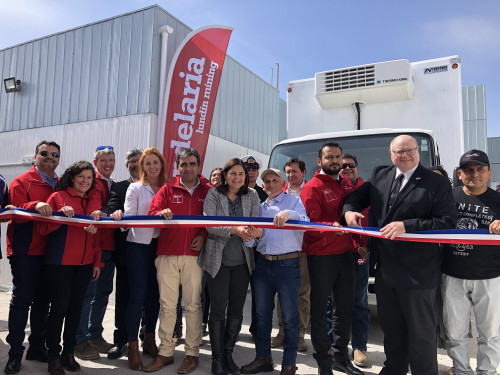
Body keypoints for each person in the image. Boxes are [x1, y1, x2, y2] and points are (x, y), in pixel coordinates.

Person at [343, 134, 457, 375]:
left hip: (419, 272)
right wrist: (350, 212)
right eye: (399, 152)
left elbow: (447, 222)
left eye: (409, 150)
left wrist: (408, 226)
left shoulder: (436, 183)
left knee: (421, 333)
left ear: (418, 151)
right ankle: (394, 368)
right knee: (392, 328)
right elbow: (355, 196)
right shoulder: (380, 175)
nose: (404, 155)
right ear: (390, 154)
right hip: (385, 270)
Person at [300, 142, 365, 375]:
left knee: (344, 309)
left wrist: (359, 245)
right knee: (319, 311)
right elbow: (308, 222)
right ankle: (323, 363)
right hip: (322, 257)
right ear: (320, 161)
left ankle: (340, 358)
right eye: (329, 157)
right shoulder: (312, 186)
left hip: (345, 255)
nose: (335, 161)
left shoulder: (346, 184)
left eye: (338, 157)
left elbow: (353, 219)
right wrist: (330, 227)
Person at [145, 148, 211, 374]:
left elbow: (213, 221)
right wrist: (160, 213)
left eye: (192, 164)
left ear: (199, 166)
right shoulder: (166, 189)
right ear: (177, 167)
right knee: (167, 305)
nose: (188, 168)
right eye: (183, 164)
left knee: (193, 305)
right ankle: (165, 352)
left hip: (194, 258)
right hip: (167, 255)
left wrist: (203, 235)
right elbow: (151, 214)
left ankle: (192, 354)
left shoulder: (208, 191)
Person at [241, 168, 309, 375]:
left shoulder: (294, 202)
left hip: (288, 265)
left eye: (274, 180)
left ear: (282, 183)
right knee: (262, 316)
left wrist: (291, 214)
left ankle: (289, 363)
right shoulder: (258, 207)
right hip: (263, 265)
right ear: (263, 186)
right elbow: (251, 241)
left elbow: (306, 224)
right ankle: (263, 358)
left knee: (289, 317)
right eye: (267, 181)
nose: (270, 184)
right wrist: (253, 235)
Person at [38, 160, 102, 375]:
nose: (85, 181)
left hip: (84, 265)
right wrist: (59, 217)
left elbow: (97, 235)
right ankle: (53, 356)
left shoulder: (90, 202)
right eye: (81, 176)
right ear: (72, 177)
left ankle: (68, 353)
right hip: (60, 263)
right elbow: (43, 229)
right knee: (59, 310)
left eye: (89, 178)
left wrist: (97, 262)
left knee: (76, 310)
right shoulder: (58, 197)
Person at [199, 158, 261, 375]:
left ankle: (227, 354)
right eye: (233, 173)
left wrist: (255, 231)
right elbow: (209, 224)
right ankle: (216, 359)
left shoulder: (252, 195)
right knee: (217, 310)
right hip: (217, 261)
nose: (237, 178)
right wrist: (235, 230)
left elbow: (256, 222)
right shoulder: (214, 194)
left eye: (241, 174)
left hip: (242, 262)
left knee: (236, 311)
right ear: (225, 175)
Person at [441, 150, 500, 375]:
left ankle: (487, 372)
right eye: (468, 170)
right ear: (460, 173)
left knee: (491, 333)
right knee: (455, 333)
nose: (474, 174)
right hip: (453, 275)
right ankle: (461, 370)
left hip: (490, 277)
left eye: (480, 169)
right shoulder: (448, 196)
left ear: (489, 172)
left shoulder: (498, 200)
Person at [107, 147, 165, 370]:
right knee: (137, 296)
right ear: (142, 167)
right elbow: (130, 216)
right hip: (138, 246)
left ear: (161, 165)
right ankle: (132, 346)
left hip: (161, 247)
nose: (151, 167)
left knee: (154, 295)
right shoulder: (135, 187)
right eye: (147, 163)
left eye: (155, 163)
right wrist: (121, 216)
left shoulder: (167, 187)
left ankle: (149, 339)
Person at [5, 140, 59, 374]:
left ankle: (37, 347)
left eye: (55, 154)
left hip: (52, 251)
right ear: (35, 157)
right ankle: (15, 353)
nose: (50, 157)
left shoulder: (62, 183)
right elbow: (13, 210)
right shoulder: (22, 181)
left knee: (43, 303)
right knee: (22, 301)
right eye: (44, 153)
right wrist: (34, 204)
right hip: (26, 250)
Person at [92, 147, 143, 360]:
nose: (135, 164)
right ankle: (121, 340)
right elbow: (112, 204)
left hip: (153, 252)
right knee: (123, 299)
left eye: (139, 161)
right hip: (126, 253)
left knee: (150, 300)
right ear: (126, 165)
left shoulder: (161, 187)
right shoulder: (120, 187)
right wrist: (106, 213)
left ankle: (147, 338)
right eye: (131, 161)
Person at [75, 146, 116, 359]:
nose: (107, 163)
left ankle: (94, 335)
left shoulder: (114, 184)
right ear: (95, 161)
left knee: (102, 295)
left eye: (111, 159)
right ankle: (79, 341)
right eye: (103, 160)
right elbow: (94, 210)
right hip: (93, 245)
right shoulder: (92, 182)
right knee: (87, 295)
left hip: (110, 247)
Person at [271, 158, 310, 353]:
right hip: (284, 249)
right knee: (282, 293)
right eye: (288, 172)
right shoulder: (280, 192)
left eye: (294, 171)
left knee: (302, 293)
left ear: (303, 172)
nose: (291, 175)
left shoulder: (310, 191)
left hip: (304, 249)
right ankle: (282, 331)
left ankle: (300, 335)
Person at [337, 155, 370, 367]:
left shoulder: (367, 190)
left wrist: (364, 246)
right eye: (343, 166)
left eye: (351, 165)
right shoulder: (333, 188)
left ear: (357, 168)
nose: (347, 168)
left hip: (360, 251)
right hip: (335, 251)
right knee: (333, 304)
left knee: (359, 302)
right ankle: (336, 345)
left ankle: (359, 347)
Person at [240, 155, 267, 340]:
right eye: (247, 170)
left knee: (258, 292)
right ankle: (233, 328)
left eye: (254, 170)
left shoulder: (264, 194)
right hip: (237, 250)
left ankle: (257, 328)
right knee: (237, 292)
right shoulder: (234, 192)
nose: (251, 173)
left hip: (257, 251)